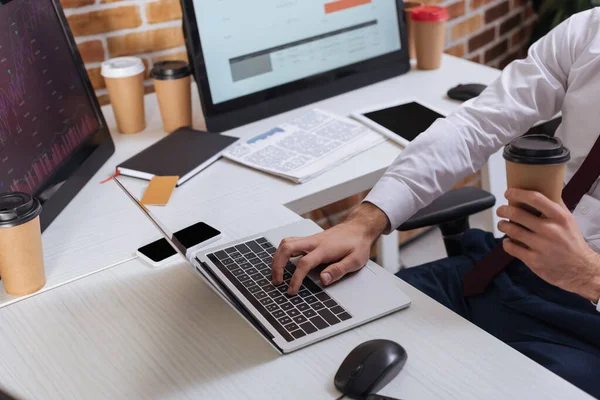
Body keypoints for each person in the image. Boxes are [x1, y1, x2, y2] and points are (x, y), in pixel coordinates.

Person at [271, 9, 600, 398]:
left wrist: (587, 274)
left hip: (587, 329)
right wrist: (364, 222)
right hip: (506, 271)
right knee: (328, 320)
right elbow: (475, 127)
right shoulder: (589, 32)